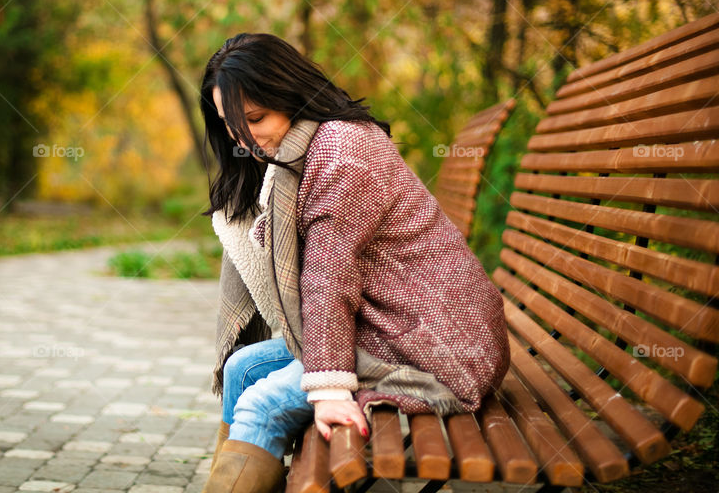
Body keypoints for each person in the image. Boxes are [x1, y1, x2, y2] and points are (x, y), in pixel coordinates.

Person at [198, 32, 509, 493]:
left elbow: (329, 278)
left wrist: (327, 389)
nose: (244, 138)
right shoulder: (303, 149)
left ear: (290, 94)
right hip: (390, 323)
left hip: (437, 344)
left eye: (256, 118)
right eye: (230, 124)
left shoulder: (341, 153)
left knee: (262, 405)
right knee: (243, 367)